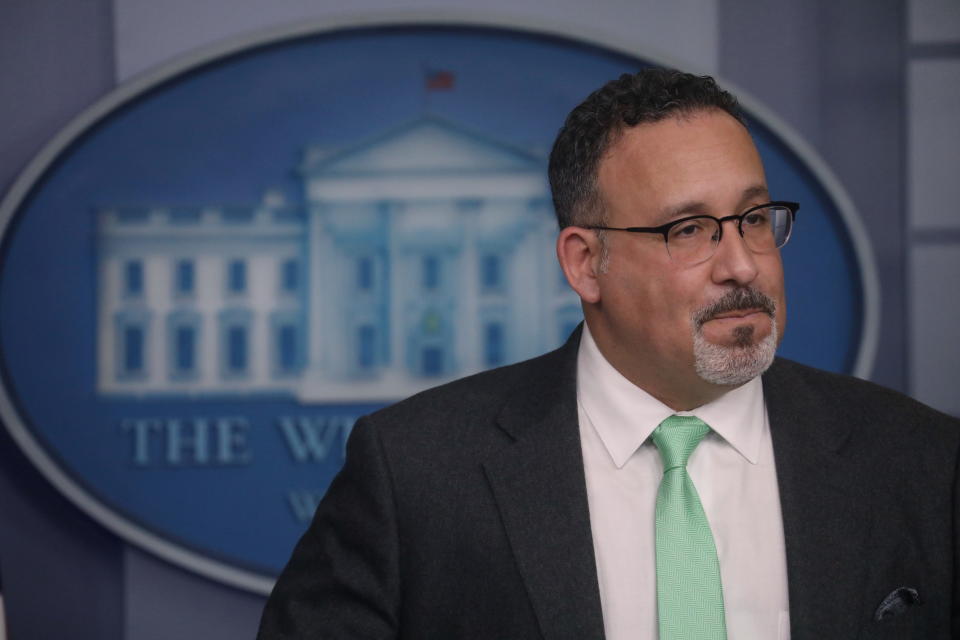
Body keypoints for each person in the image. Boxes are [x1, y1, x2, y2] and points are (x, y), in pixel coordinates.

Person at [257, 69, 959, 639]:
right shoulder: (413, 473)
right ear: (586, 263)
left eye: (753, 219)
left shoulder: (921, 461)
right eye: (690, 230)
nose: (743, 265)